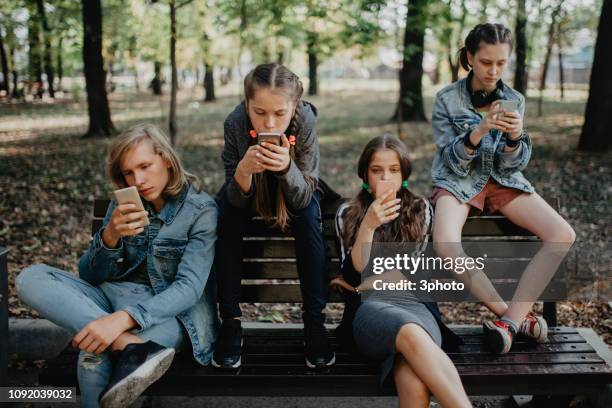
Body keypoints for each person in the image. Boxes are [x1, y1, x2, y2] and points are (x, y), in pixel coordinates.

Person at [16, 124, 218, 407]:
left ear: (166, 159)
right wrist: (110, 235)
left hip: (170, 314)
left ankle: (121, 342)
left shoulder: (201, 211)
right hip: (111, 298)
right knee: (30, 277)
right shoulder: (123, 204)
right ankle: (133, 349)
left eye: (145, 166)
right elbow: (89, 276)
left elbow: (189, 288)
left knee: (94, 347)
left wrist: (120, 320)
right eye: (129, 172)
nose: (139, 179)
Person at [430, 23, 575, 354]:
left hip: (502, 180)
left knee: (562, 234)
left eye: (501, 63)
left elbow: (512, 166)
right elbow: (452, 163)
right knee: (445, 243)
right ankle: (515, 320)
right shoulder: (446, 99)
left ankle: (507, 325)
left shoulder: (514, 100)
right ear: (469, 57)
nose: (493, 71)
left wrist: (514, 137)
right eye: (485, 62)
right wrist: (478, 131)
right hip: (458, 180)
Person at [331, 135, 471, 408]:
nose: (386, 177)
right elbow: (355, 273)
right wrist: (368, 226)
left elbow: (408, 276)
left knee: (414, 382)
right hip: (369, 312)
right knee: (409, 333)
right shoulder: (347, 213)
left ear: (404, 173)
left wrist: (362, 284)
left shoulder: (420, 210)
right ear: (364, 175)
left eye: (394, 170)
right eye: (377, 170)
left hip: (418, 307)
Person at [213, 63, 335, 369]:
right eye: (259, 112)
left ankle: (314, 323)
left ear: (295, 105)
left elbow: (304, 194)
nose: (269, 122)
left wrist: (284, 168)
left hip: (294, 191)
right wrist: (242, 171)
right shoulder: (235, 124)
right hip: (250, 194)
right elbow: (235, 198)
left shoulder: (305, 120)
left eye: (279, 113)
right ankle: (230, 321)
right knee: (226, 217)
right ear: (246, 105)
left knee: (309, 216)